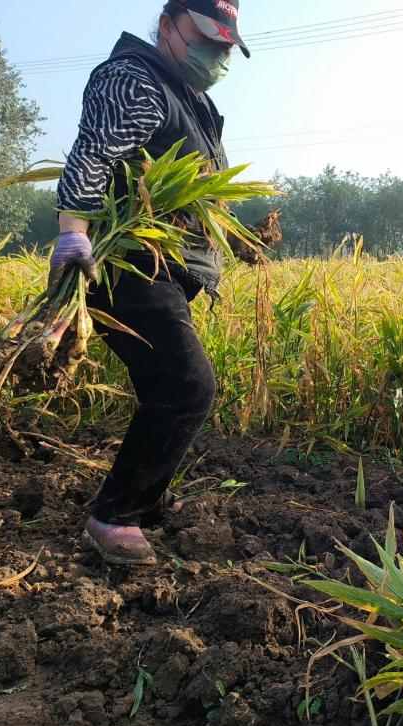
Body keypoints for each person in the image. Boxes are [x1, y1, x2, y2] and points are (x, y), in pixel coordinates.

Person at [51, 0, 251, 565]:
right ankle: (113, 516)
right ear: (166, 26)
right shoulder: (135, 80)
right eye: (206, 40)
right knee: (187, 387)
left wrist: (234, 236)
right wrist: (73, 231)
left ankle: (147, 498)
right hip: (129, 265)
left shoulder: (192, 100)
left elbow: (198, 191)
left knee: (167, 388)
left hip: (168, 267)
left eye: (225, 47)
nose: (216, 55)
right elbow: (93, 152)